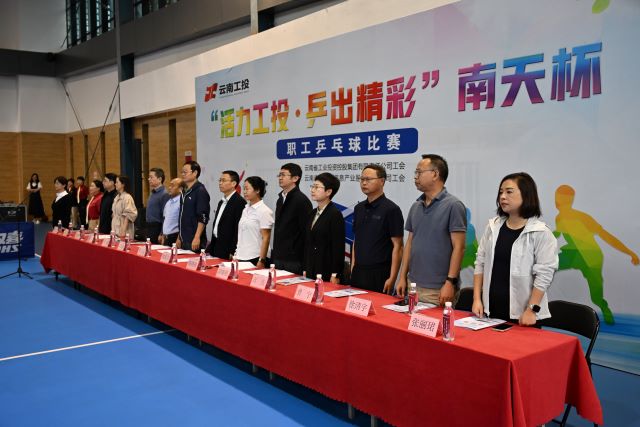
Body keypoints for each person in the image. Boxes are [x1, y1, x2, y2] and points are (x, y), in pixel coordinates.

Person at [472, 172, 559, 326]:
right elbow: (480, 262)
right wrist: (477, 299)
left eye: (509, 192)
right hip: (489, 312)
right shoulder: (493, 227)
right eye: (501, 192)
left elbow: (544, 274)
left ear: (526, 195)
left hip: (524, 316)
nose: (502, 197)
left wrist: (531, 310)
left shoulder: (540, 232)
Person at [553, 185, 638, 324]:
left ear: (569, 201)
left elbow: (606, 236)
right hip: (573, 254)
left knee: (596, 298)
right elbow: (557, 233)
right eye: (558, 199)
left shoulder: (582, 217)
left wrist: (629, 252)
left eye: (561, 200)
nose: (558, 202)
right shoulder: (559, 218)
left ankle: (604, 308)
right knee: (545, 267)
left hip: (591, 257)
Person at [397, 154, 467, 306]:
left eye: (419, 172)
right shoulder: (416, 206)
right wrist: (402, 277)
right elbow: (410, 243)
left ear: (435, 174)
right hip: (412, 285)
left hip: (438, 290)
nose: (415, 177)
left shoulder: (453, 205)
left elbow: (459, 248)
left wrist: (450, 282)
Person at [350, 164, 404, 293]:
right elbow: (356, 240)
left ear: (382, 181)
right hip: (358, 271)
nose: (364, 183)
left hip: (379, 273)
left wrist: (392, 278)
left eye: (368, 179)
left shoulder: (391, 209)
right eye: (362, 179)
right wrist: (353, 268)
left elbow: (398, 246)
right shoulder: (359, 208)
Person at [303, 173, 345, 283]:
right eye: (312, 186)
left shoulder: (335, 214)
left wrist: (335, 274)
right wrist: (305, 268)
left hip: (326, 269)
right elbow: (308, 243)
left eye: (317, 187)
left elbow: (338, 247)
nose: (312, 190)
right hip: (311, 268)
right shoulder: (311, 213)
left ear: (328, 192)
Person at [271, 163, 312, 274]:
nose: (280, 178)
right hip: (278, 256)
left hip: (294, 260)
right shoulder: (280, 199)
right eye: (279, 175)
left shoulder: (302, 201)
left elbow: (306, 233)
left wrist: (305, 263)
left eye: (283, 175)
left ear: (295, 178)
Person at [234, 176, 274, 267]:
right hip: (241, 256)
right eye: (244, 189)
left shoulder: (264, 211)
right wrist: (236, 254)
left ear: (257, 190)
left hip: (256, 257)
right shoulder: (245, 209)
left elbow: (266, 238)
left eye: (247, 189)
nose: (244, 191)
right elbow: (241, 234)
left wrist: (262, 260)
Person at [206, 170, 246, 259]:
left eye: (223, 180)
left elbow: (238, 228)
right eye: (219, 180)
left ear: (233, 183)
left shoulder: (239, 202)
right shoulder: (221, 201)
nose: (220, 183)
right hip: (216, 246)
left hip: (228, 249)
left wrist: (233, 250)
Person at [177, 161, 210, 252]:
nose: (183, 174)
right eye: (182, 172)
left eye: (185, 172)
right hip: (183, 239)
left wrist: (197, 237)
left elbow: (203, 217)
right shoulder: (184, 192)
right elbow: (182, 216)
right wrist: (179, 237)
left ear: (195, 173)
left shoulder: (200, 191)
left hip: (194, 240)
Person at [146, 168, 170, 244]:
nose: (148, 179)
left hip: (157, 227)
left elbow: (165, 215)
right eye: (149, 177)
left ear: (159, 179)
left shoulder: (164, 194)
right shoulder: (153, 192)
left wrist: (162, 233)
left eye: (151, 177)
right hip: (149, 226)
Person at [159, 178, 184, 247]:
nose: (169, 188)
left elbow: (183, 222)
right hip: (166, 237)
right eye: (169, 185)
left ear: (180, 189)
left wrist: (179, 238)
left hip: (175, 237)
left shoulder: (182, 202)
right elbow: (165, 219)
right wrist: (162, 234)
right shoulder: (168, 202)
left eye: (172, 186)